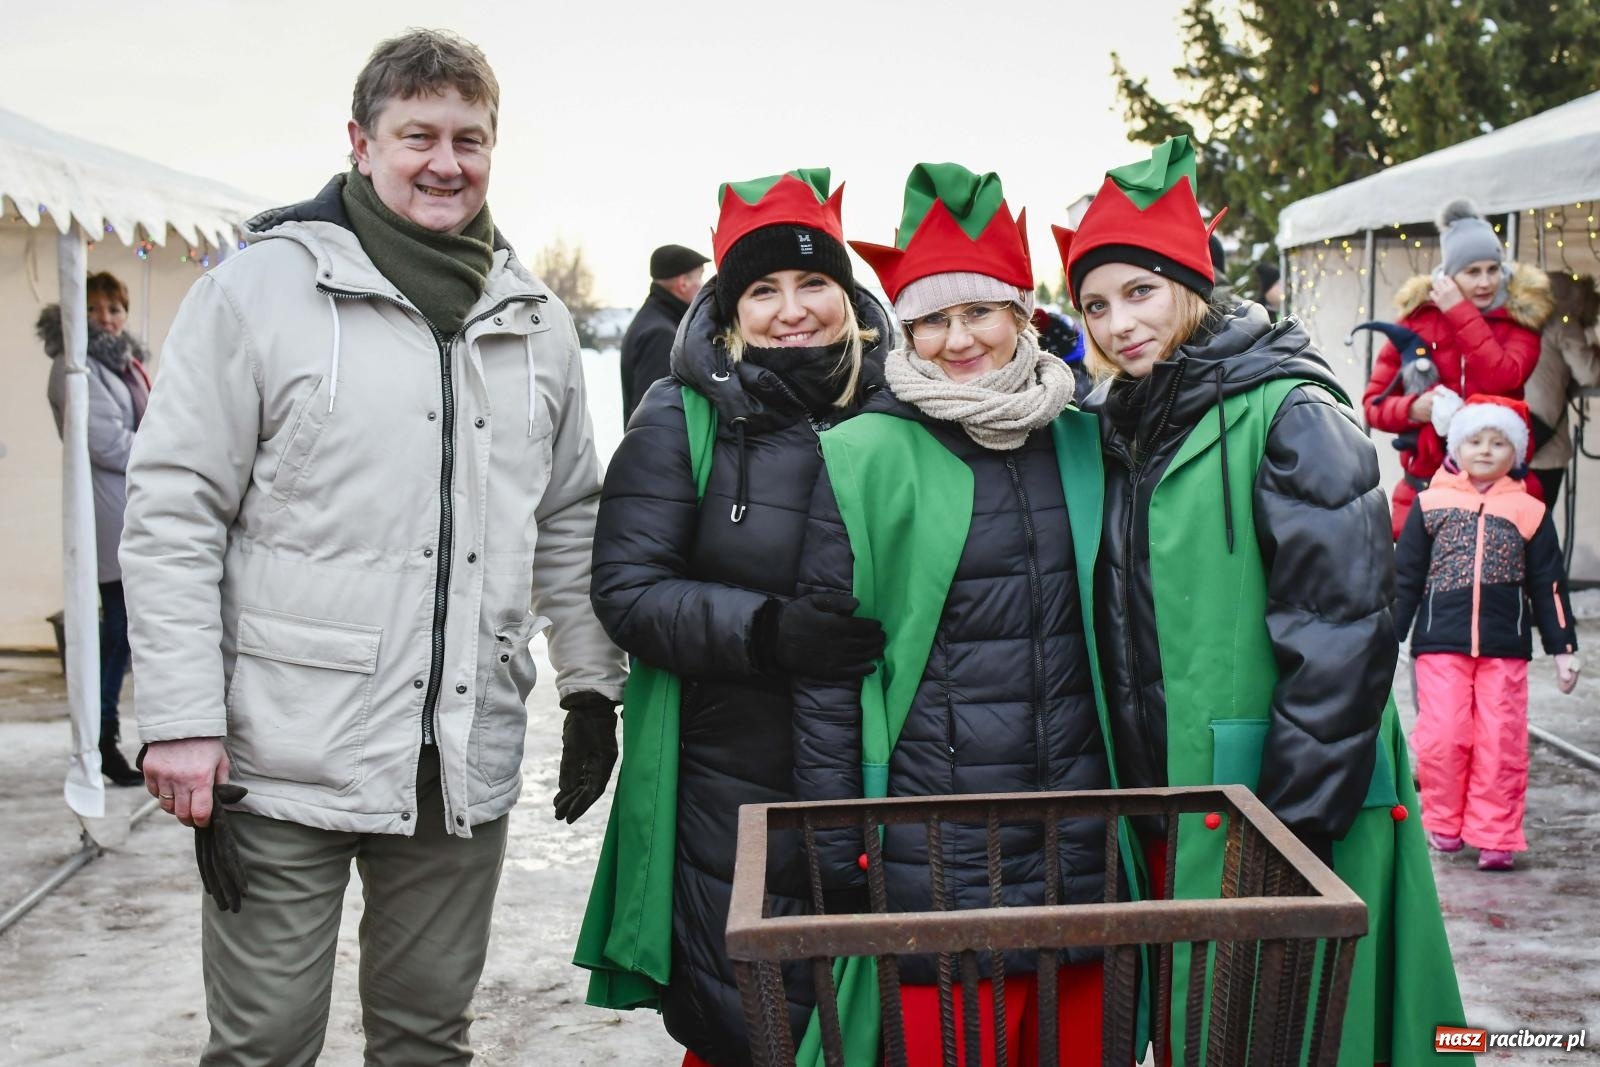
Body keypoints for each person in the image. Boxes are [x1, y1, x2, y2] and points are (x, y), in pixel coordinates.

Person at [120, 30, 626, 1064]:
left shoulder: (535, 321)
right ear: (361, 141)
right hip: (282, 751)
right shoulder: (259, 290)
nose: (447, 162)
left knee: (427, 1040)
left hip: (460, 755)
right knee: (265, 1040)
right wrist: (179, 718)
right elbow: (175, 507)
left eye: (470, 139)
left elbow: (570, 510)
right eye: (418, 136)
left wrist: (586, 683)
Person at [1054, 136, 1466, 1066]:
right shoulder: (1126, 422)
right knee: (1213, 1031)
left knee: (1303, 1028)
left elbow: (1346, 634)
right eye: (1095, 304)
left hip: (1282, 804)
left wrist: (1287, 830)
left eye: (1140, 291)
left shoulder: (1292, 413)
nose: (1118, 323)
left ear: (1191, 286)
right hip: (1182, 800)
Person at [793, 163, 1110, 1065]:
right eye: (932, 318)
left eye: (979, 311)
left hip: (1079, 826)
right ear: (905, 329)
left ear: (1022, 311)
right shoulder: (863, 454)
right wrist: (835, 835)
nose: (958, 337)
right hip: (937, 839)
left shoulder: (1085, 438)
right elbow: (830, 668)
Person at [578, 169, 888, 1067]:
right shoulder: (682, 415)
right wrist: (763, 630)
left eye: (813, 284)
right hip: (730, 769)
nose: (792, 310)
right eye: (763, 290)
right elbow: (627, 586)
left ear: (848, 295)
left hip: (874, 762)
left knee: (867, 1009)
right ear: (728, 308)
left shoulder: (895, 404)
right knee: (752, 1014)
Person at [1394, 396, 1579, 872]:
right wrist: (1387, 635)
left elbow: (1550, 586)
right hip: (1440, 644)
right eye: (1475, 440)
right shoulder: (1431, 504)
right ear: (1457, 445)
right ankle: (1444, 822)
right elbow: (1405, 577)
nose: (1485, 450)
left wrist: (1563, 649)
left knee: (1500, 740)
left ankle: (1495, 833)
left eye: (1499, 442)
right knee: (1444, 737)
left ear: (1515, 453)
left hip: (1504, 648)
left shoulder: (1528, 510)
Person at [1362, 198, 1551, 539]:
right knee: (1418, 590)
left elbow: (1505, 377)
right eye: (1472, 271)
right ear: (1449, 274)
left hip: (1498, 491)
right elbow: (1373, 406)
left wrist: (1460, 312)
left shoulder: (1523, 319)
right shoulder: (1417, 320)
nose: (1485, 282)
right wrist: (1412, 409)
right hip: (1427, 486)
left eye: (1493, 270)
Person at [38, 272, 151, 787]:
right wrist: (168, 450)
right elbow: (106, 442)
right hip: (111, 515)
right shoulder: (75, 366)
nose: (107, 319)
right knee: (115, 638)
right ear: (76, 313)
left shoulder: (122, 362)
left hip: (135, 508)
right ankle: (104, 742)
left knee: (129, 636)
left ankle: (125, 736)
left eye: (115, 310)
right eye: (97, 309)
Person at [1523, 272, 1600, 509]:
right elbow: (1589, 373)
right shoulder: (1564, 323)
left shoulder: (1522, 320)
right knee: (1537, 527)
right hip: (1546, 446)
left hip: (1510, 437)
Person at [621, 244, 710, 423]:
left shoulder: (653, 319)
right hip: (660, 450)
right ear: (683, 283)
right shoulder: (661, 334)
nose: (702, 286)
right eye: (699, 277)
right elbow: (652, 416)